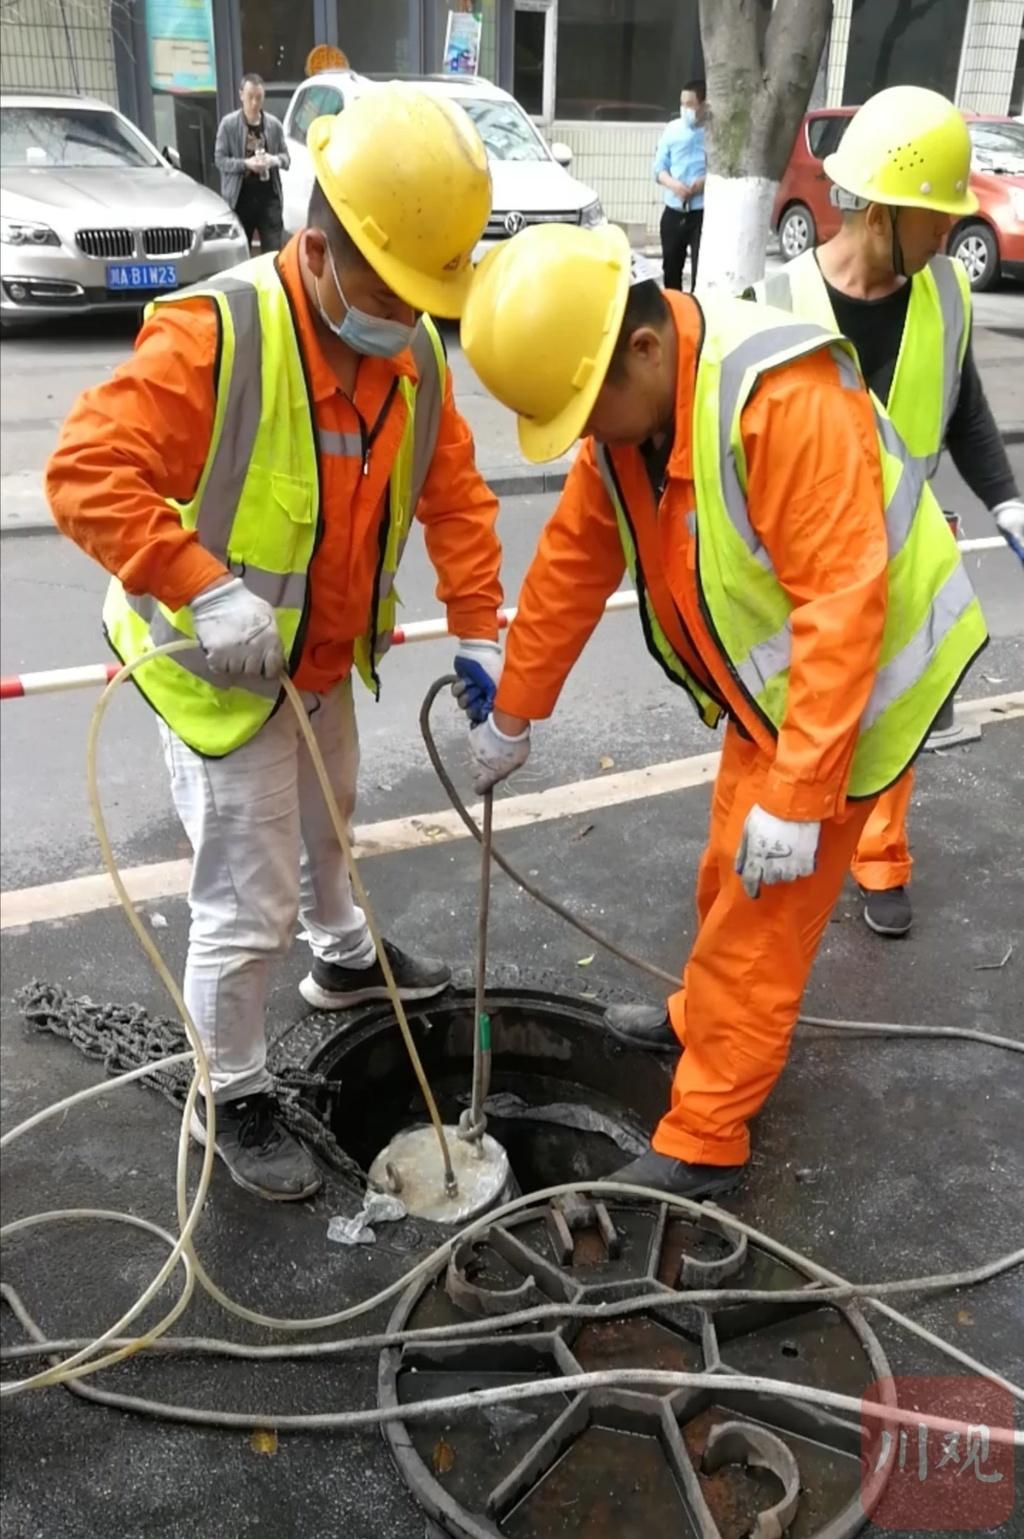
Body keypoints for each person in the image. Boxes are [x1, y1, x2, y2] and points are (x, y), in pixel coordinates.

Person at [458, 222, 986, 1198]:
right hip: (780, 698)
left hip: (862, 694)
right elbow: (576, 560)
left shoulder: (778, 400)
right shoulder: (636, 417)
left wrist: (799, 794)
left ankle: (705, 1136)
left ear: (646, 350)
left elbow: (842, 607)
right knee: (725, 871)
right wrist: (514, 712)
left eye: (584, 409)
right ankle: (700, 1018)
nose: (583, 436)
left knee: (761, 922)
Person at [46, 87, 503, 1203]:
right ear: (317, 251)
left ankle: (344, 962)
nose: (411, 315)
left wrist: (485, 635)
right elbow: (83, 474)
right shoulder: (220, 335)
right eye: (395, 288)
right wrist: (198, 587)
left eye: (425, 294)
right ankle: (232, 1090)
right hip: (214, 675)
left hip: (317, 659)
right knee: (247, 904)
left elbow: (458, 501)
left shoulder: (414, 359)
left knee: (332, 825)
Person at [750, 85, 1024, 940]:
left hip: (903, 559)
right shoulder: (776, 302)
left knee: (896, 716)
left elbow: (965, 409)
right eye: (934, 219)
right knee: (791, 722)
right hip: (802, 579)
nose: (950, 234)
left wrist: (1009, 501)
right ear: (880, 211)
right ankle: (788, 843)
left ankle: (879, 858)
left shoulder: (943, 293)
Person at [215, 72, 290, 254]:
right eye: (250, 97)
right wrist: (246, 164)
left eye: (259, 98)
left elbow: (286, 159)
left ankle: (271, 282)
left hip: (268, 197)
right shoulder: (229, 125)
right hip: (241, 197)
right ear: (241, 95)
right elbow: (220, 160)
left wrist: (273, 160)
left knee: (273, 252)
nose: (254, 103)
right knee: (241, 251)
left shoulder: (273, 126)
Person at [652, 79, 707, 292]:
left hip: (700, 212)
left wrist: (703, 183)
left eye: (690, 104)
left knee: (700, 271)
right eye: (682, 104)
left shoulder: (713, 132)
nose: (685, 109)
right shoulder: (672, 129)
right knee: (671, 270)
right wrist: (673, 185)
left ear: (703, 105)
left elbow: (722, 170)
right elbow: (658, 168)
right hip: (674, 210)